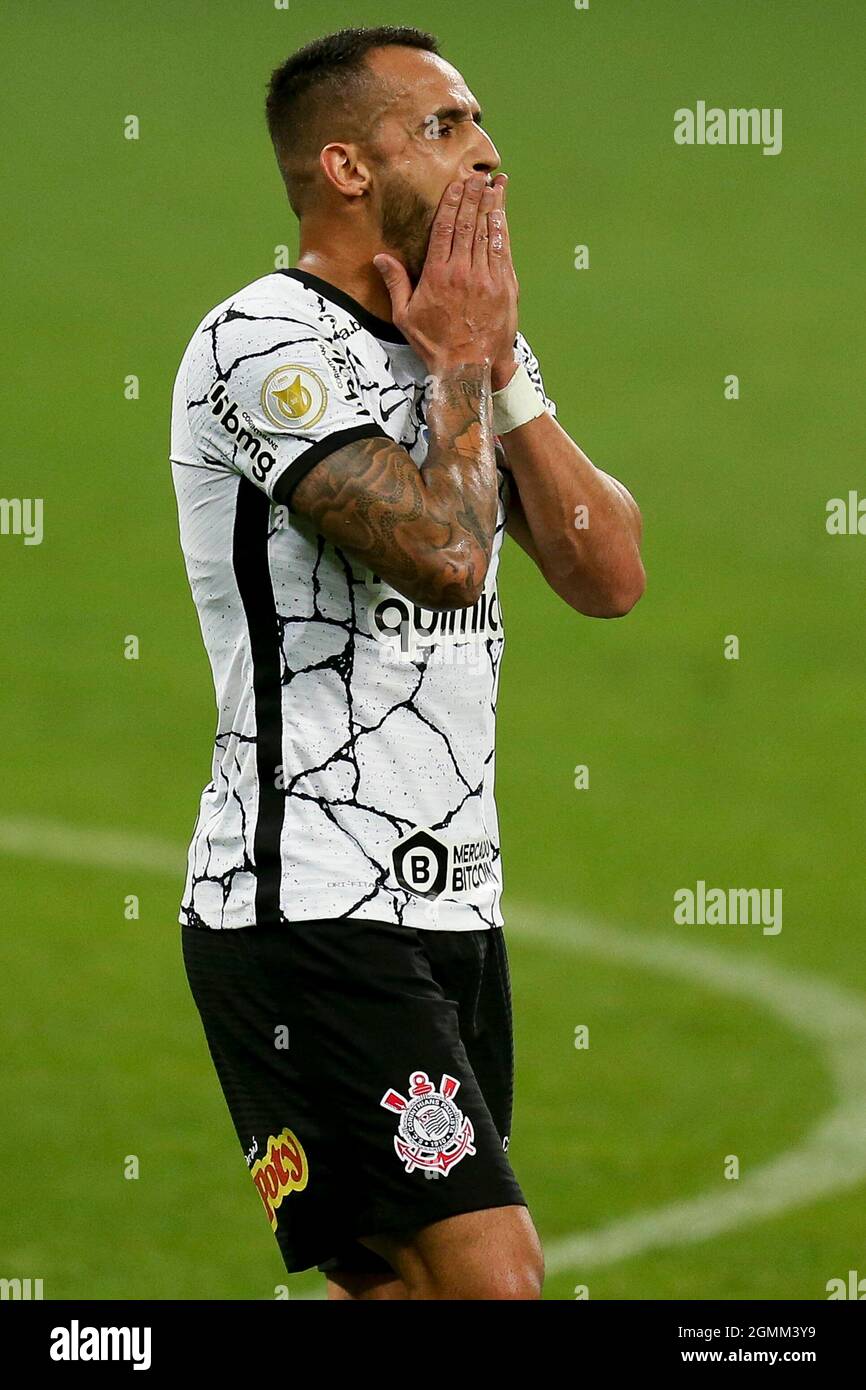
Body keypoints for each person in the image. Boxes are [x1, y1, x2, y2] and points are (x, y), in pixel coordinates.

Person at [170, 24, 644, 1301]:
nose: (485, 155)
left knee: (399, 1289)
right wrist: (451, 366)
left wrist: (491, 370)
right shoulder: (258, 342)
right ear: (342, 166)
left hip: (451, 901)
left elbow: (607, 576)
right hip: (308, 897)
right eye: (443, 128)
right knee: (493, 1279)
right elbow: (442, 553)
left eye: (482, 122)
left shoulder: (466, 338)